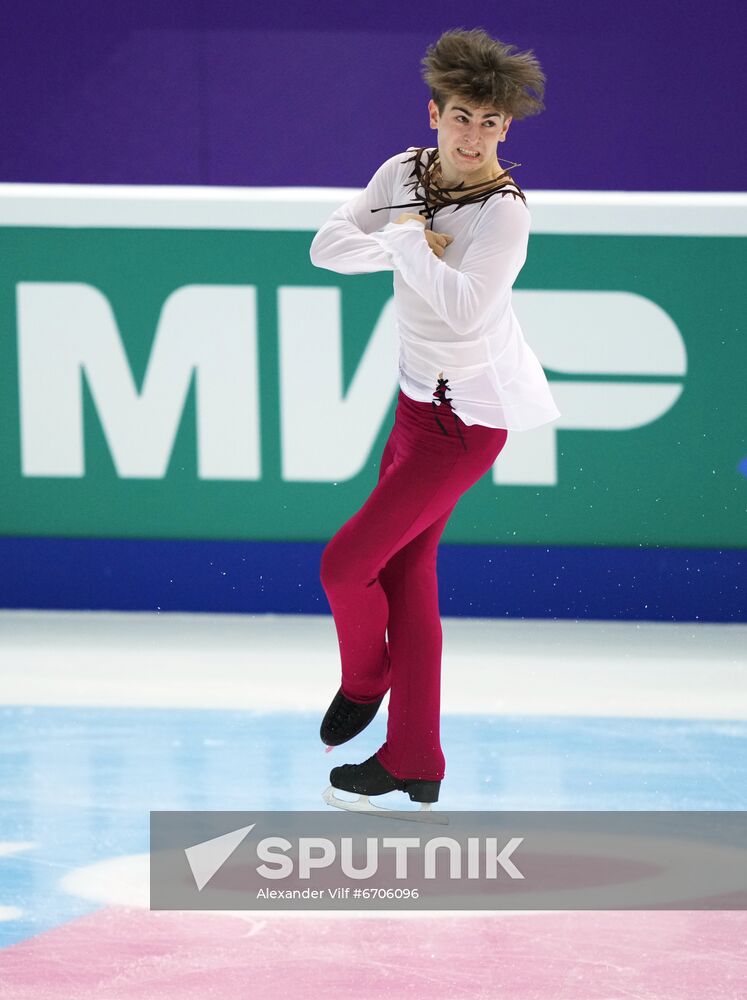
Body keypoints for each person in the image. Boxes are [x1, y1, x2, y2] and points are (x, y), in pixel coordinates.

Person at [310, 27, 561, 813]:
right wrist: (402, 238)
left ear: (505, 130)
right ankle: (414, 757)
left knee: (345, 565)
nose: (473, 136)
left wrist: (405, 244)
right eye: (461, 117)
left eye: (490, 124)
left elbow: (460, 311)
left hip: (464, 420)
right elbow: (326, 246)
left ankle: (367, 678)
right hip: (413, 401)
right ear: (434, 113)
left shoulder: (503, 214)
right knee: (407, 574)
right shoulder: (399, 174)